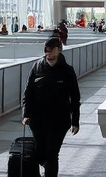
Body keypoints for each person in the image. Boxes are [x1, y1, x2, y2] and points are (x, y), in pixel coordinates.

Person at [22, 37, 81, 177]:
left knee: (52, 153)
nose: (49, 55)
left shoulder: (67, 71)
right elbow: (28, 92)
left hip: (59, 120)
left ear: (59, 50)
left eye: (52, 51)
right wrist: (26, 113)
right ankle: (46, 167)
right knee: (41, 153)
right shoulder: (37, 67)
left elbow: (75, 96)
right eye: (46, 52)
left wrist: (75, 121)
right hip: (38, 120)